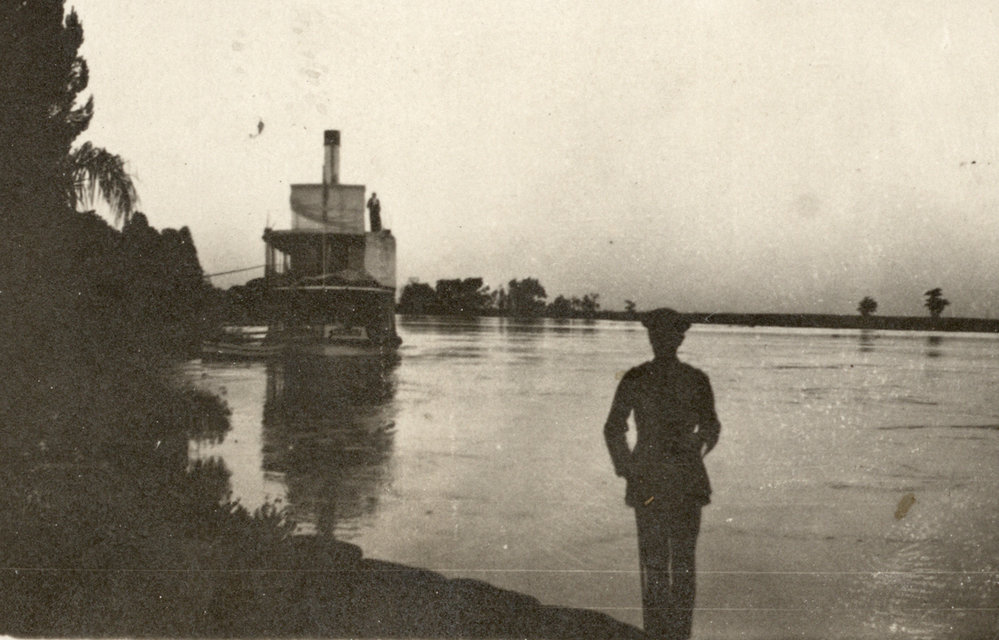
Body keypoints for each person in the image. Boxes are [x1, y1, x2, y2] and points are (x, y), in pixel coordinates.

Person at [603, 308, 720, 640]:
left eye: (667, 336)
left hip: (682, 479)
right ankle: (657, 634)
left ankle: (678, 635)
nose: (660, 342)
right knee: (656, 562)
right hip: (652, 478)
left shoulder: (696, 380)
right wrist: (627, 468)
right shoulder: (636, 378)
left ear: (679, 339)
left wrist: (699, 442)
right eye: (655, 336)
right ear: (650, 338)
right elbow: (613, 428)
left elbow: (711, 426)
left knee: (680, 563)